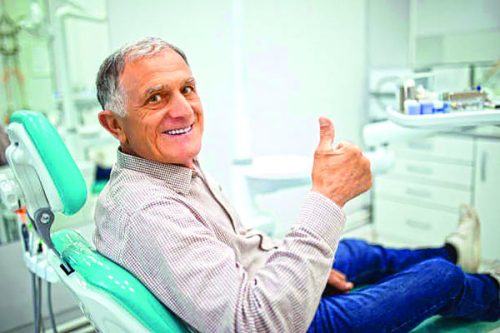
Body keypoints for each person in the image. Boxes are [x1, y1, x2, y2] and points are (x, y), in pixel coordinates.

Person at [93, 37, 500, 333]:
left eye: (187, 89)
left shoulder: (169, 168)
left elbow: (241, 250)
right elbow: (256, 324)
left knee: (356, 252)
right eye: (155, 98)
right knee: (436, 279)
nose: (183, 110)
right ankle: (488, 287)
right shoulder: (148, 209)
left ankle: (455, 252)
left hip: (259, 290)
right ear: (114, 125)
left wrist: (299, 269)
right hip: (280, 323)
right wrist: (327, 197)